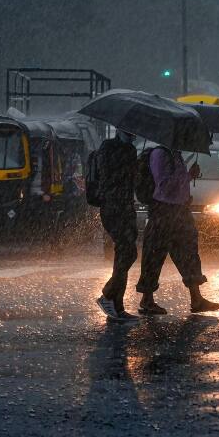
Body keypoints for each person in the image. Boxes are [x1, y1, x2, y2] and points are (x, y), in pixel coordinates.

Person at [136, 147, 219, 314]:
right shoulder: (160, 155)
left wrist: (190, 176)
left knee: (189, 253)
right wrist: (187, 176)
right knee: (154, 255)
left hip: (180, 211)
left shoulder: (176, 155)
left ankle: (196, 298)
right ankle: (147, 299)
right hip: (164, 211)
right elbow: (164, 185)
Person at [95, 130, 140, 322]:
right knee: (127, 252)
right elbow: (108, 176)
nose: (132, 136)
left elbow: (132, 181)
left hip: (127, 206)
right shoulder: (108, 147)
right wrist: (129, 167)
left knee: (125, 254)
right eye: (128, 132)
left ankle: (117, 305)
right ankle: (107, 295)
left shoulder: (130, 150)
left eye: (133, 133)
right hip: (112, 207)